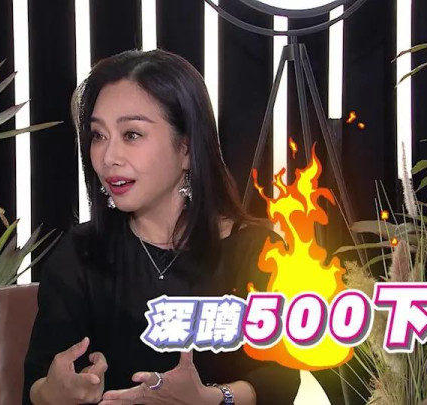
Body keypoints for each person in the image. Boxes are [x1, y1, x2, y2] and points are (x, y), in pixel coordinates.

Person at [23, 49, 301, 404]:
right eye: (98, 135)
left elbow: (281, 378)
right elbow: (37, 382)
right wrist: (55, 392)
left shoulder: (259, 251)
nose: (108, 157)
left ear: (186, 148)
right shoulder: (80, 253)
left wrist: (211, 398)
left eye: (131, 134)